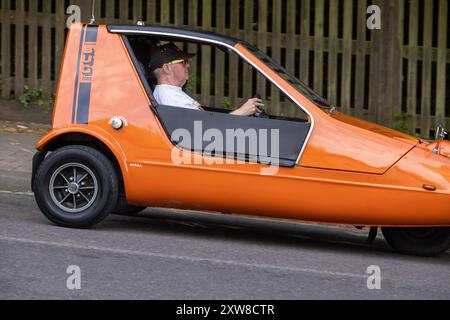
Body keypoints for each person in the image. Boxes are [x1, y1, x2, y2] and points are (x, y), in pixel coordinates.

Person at [149, 43, 264, 116]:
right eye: (183, 62)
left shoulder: (170, 93)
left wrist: (240, 110)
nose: (188, 65)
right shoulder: (171, 98)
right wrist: (241, 112)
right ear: (167, 68)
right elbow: (204, 131)